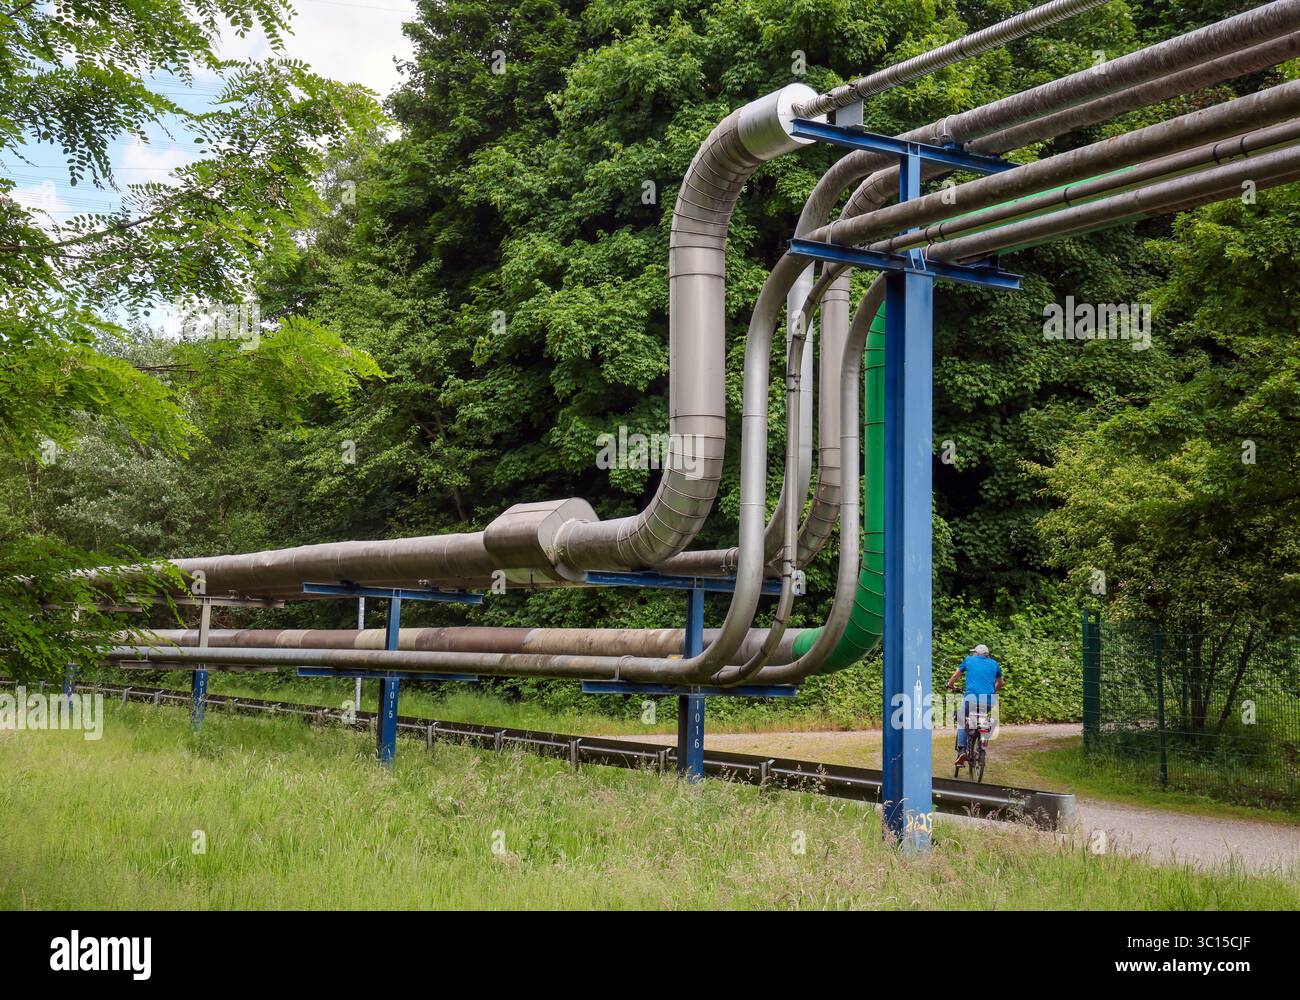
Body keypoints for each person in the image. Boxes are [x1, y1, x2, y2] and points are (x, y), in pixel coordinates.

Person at [946, 643, 1003, 767]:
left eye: (974, 652)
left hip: (970, 699)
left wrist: (951, 685)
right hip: (988, 701)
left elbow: (956, 675)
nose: (973, 654)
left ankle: (961, 749)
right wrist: (993, 690)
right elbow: (1000, 682)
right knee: (983, 718)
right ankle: (982, 742)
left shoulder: (969, 660)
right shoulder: (994, 664)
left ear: (977, 653)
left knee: (962, 718)